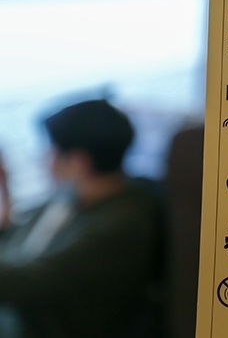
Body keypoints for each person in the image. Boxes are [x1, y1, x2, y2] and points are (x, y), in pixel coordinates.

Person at [0, 99, 163, 337]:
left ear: (77, 162)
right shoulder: (71, 197)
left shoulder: (121, 226)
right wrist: (6, 193)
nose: (45, 158)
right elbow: (19, 244)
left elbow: (33, 282)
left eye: (51, 149)